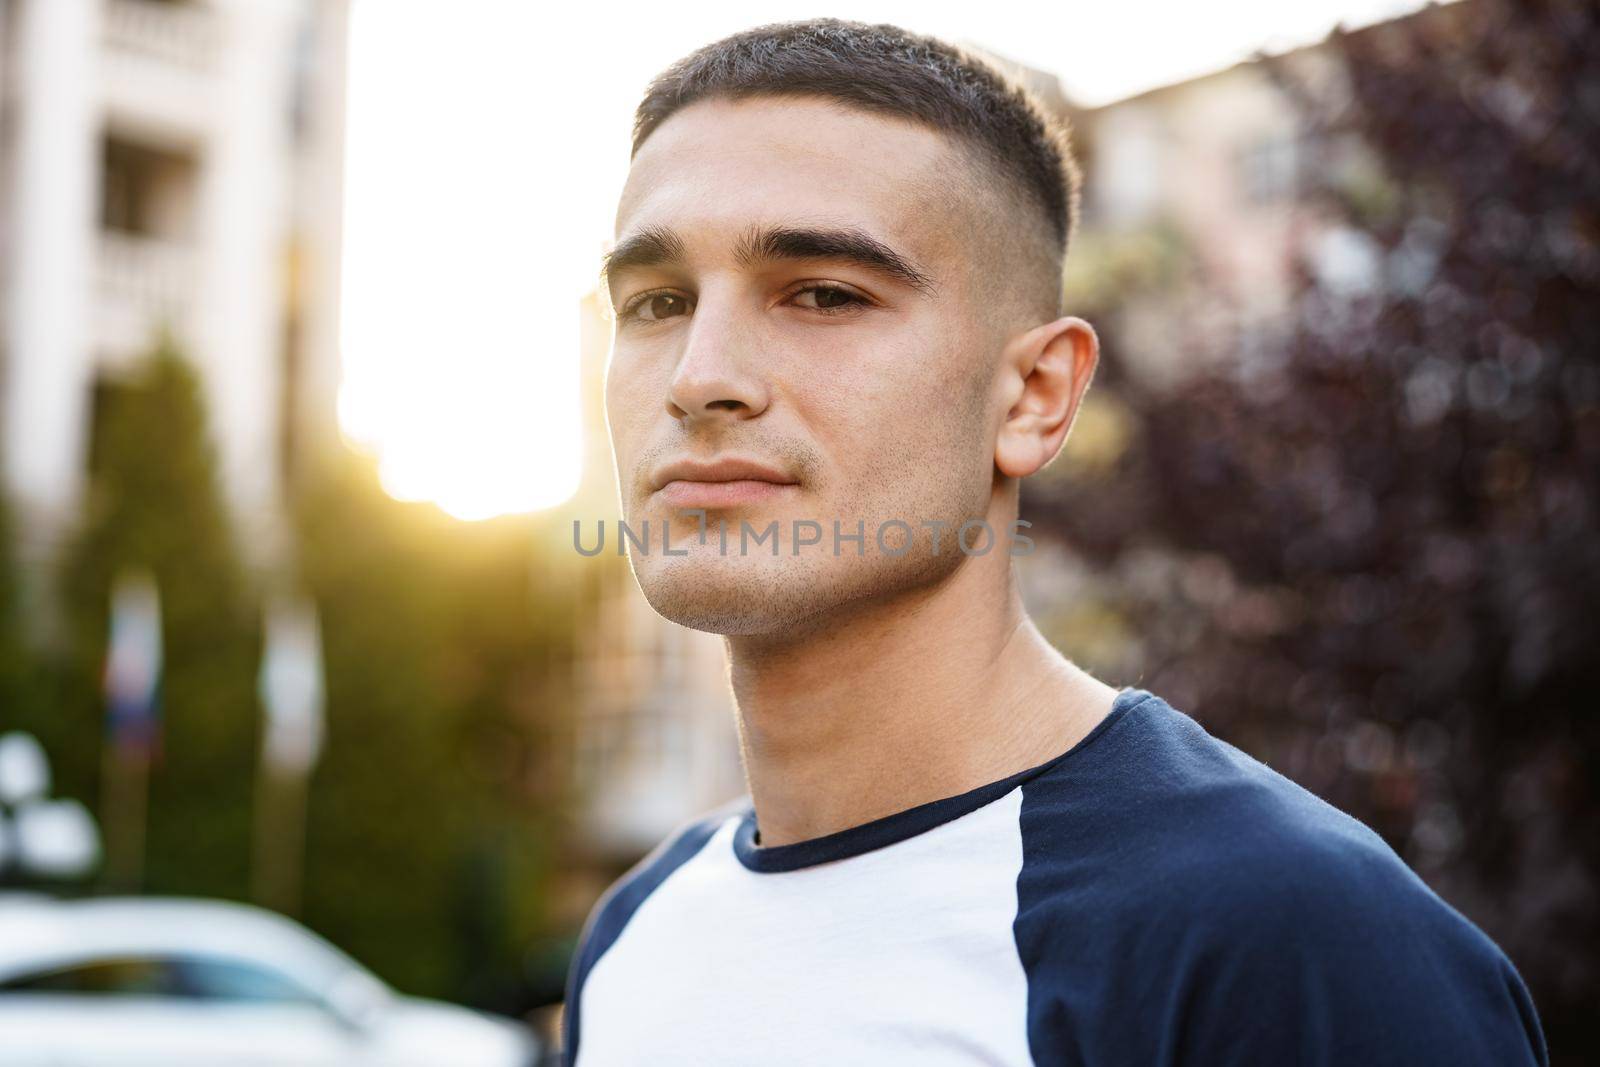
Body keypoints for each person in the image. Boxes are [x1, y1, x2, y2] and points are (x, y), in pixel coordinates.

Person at [562, 17, 1549, 1066]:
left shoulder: (1287, 937)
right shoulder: (635, 933)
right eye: (658, 301)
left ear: (1033, 395)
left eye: (823, 293)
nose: (698, 375)